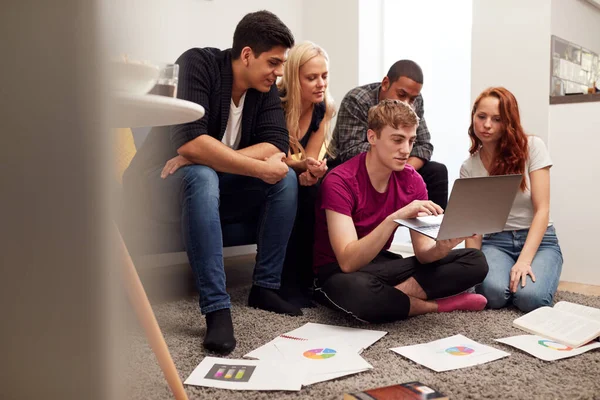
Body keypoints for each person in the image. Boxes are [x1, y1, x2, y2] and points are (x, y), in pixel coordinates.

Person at [123, 10, 301, 355]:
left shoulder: (262, 88)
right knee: (203, 174)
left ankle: (265, 286)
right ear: (247, 54)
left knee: (285, 179)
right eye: (273, 62)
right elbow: (189, 142)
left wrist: (205, 153)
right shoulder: (197, 64)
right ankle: (217, 309)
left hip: (212, 178)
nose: (279, 73)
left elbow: (275, 144)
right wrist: (200, 155)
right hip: (159, 183)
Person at [313, 99, 489, 323]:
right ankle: (435, 305)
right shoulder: (339, 181)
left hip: (382, 265)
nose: (406, 150)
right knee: (356, 290)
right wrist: (395, 218)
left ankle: (390, 298)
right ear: (372, 137)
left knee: (475, 260)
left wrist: (443, 247)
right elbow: (348, 261)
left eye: (411, 141)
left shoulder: (413, 180)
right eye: (397, 140)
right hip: (338, 271)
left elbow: (424, 254)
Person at [461, 87, 563, 313]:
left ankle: (534, 276)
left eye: (497, 119)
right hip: (496, 242)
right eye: (482, 117)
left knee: (531, 300)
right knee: (492, 296)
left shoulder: (533, 147)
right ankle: (509, 280)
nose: (487, 125)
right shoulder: (469, 168)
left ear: (508, 122)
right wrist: (472, 271)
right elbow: (475, 226)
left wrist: (524, 261)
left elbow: (542, 210)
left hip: (540, 241)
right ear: (473, 117)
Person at [326, 60, 449, 209]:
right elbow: (351, 150)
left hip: (395, 163)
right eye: (401, 94)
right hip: (350, 167)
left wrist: (402, 170)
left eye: (412, 99)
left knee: (437, 172)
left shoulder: (415, 102)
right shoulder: (357, 99)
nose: (406, 103)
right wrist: (390, 162)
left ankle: (436, 228)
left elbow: (424, 146)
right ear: (385, 83)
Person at [276, 41, 334, 306]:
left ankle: (311, 280)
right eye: (311, 78)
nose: (320, 83)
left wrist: (313, 171)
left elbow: (308, 158)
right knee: (294, 187)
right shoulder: (275, 104)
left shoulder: (322, 108)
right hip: (267, 172)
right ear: (294, 79)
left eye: (324, 76)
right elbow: (272, 157)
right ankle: (286, 282)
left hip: (292, 170)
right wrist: (303, 167)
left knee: (319, 189)